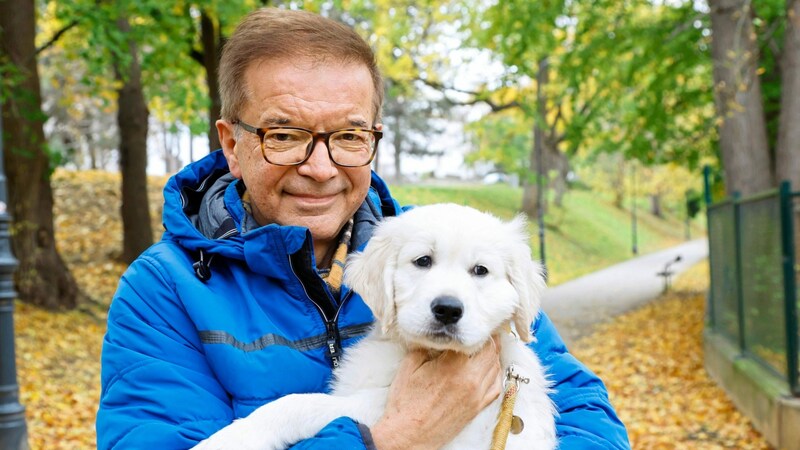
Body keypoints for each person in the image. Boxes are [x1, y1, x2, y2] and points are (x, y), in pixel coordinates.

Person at [97, 7, 630, 450]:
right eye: (285, 135)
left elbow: (588, 415)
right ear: (232, 145)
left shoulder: (447, 244)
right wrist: (393, 436)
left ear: (374, 139)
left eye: (349, 137)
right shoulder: (164, 291)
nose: (321, 168)